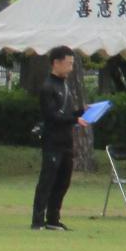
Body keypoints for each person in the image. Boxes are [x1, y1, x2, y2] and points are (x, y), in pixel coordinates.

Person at [32, 48, 82, 231]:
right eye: (68, 63)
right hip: (52, 141)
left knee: (63, 181)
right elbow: (51, 116)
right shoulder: (48, 87)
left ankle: (53, 218)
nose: (70, 68)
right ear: (56, 63)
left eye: (72, 64)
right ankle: (37, 220)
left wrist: (82, 112)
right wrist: (75, 119)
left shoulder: (65, 85)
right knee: (47, 180)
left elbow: (66, 114)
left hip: (66, 141)